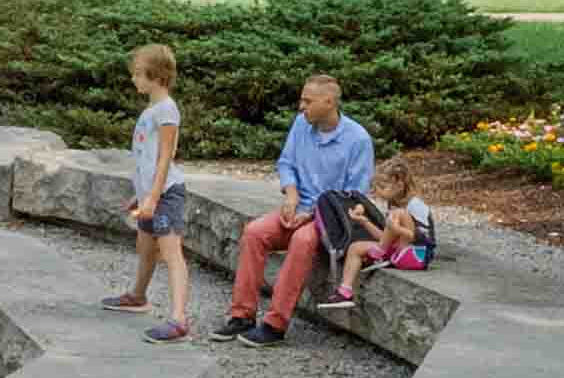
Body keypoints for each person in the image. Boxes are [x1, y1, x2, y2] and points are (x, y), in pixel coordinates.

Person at [217, 74, 372, 346]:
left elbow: (353, 198)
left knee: (302, 240)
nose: (301, 106)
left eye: (307, 101)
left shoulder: (358, 140)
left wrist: (311, 213)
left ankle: (275, 325)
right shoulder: (302, 124)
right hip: (296, 208)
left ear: (329, 102)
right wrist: (290, 196)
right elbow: (286, 163)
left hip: (330, 221)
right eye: (302, 99)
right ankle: (242, 316)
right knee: (254, 232)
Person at [100, 44, 198, 343]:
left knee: (171, 254)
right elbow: (145, 156)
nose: (133, 80)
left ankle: (179, 320)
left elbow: (165, 156)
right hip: (149, 195)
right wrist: (139, 194)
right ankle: (138, 296)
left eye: (138, 75)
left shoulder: (167, 110)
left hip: (165, 194)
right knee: (145, 248)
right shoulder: (152, 109)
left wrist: (153, 198)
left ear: (157, 76)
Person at [327, 159, 430, 306]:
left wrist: (397, 230)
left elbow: (420, 239)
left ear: (399, 185)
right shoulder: (393, 205)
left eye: (382, 187)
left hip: (417, 254)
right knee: (355, 248)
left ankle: (380, 251)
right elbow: (385, 237)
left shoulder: (416, 206)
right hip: (397, 251)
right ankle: (345, 292)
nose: (377, 192)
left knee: (399, 214)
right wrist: (364, 221)